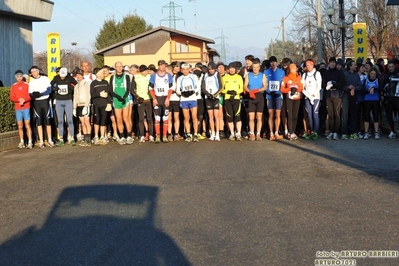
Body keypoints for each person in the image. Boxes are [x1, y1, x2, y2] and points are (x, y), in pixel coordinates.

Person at [28, 66, 54, 148]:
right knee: (39, 121)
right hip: (36, 103)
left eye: (34, 72)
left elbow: (49, 89)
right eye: (32, 72)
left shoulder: (45, 79)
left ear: (38, 71)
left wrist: (41, 94)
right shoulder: (31, 82)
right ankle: (41, 140)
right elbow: (30, 94)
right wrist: (34, 95)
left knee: (48, 120)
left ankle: (49, 140)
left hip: (45, 101)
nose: (33, 74)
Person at [109, 61, 134, 145]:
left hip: (125, 99)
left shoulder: (126, 76)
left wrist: (124, 97)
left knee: (126, 118)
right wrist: (118, 97)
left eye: (121, 66)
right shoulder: (112, 77)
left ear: (122, 67)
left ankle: (129, 136)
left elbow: (128, 89)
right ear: (115, 68)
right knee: (118, 119)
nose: (119, 68)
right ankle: (122, 136)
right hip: (116, 100)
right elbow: (111, 90)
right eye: (117, 66)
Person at [51, 67, 77, 146]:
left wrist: (71, 88)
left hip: (68, 100)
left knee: (69, 120)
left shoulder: (69, 78)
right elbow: (50, 85)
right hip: (59, 101)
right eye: (61, 76)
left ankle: (72, 137)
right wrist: (55, 89)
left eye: (63, 76)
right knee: (60, 120)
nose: (62, 78)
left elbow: (76, 85)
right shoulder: (56, 78)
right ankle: (61, 138)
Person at [149, 59, 174, 143]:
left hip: (165, 98)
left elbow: (171, 88)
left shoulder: (168, 76)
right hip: (157, 98)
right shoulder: (154, 76)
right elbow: (151, 88)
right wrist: (154, 98)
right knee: (157, 118)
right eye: (161, 65)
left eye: (164, 65)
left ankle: (164, 135)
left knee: (165, 118)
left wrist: (168, 98)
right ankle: (157, 135)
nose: (163, 67)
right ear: (158, 66)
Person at [176, 63, 201, 142]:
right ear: (181, 70)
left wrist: (192, 91)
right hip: (184, 99)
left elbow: (198, 87)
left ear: (189, 70)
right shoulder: (180, 78)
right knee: (186, 118)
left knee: (194, 117)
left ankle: (196, 134)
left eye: (187, 69)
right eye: (184, 70)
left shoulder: (193, 76)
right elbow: (177, 90)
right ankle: (188, 134)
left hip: (193, 98)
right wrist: (182, 93)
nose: (185, 71)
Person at [244, 59, 267, 140]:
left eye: (257, 67)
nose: (255, 69)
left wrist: (258, 90)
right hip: (251, 97)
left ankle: (258, 133)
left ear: (259, 67)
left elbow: (265, 86)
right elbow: (245, 86)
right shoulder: (248, 75)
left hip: (259, 96)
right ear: (252, 67)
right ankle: (252, 133)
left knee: (259, 116)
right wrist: (250, 92)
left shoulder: (262, 75)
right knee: (251, 117)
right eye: (254, 67)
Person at [10, 70, 33, 149]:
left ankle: (30, 141)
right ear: (15, 77)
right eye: (17, 76)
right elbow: (12, 97)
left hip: (26, 107)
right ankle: (22, 141)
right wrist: (18, 100)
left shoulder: (27, 85)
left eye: (20, 76)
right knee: (20, 126)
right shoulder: (13, 86)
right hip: (18, 108)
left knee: (27, 124)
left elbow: (30, 96)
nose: (19, 78)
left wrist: (24, 100)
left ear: (22, 76)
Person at [323, 57, 345, 140]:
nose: (332, 64)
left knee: (337, 114)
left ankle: (336, 132)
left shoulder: (339, 72)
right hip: (328, 96)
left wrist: (333, 84)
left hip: (337, 95)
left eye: (333, 62)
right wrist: (327, 85)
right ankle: (331, 131)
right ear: (329, 64)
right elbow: (323, 84)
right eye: (331, 62)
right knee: (330, 115)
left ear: (335, 63)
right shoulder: (326, 73)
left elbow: (342, 84)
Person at [264, 56, 285, 140]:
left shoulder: (281, 72)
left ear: (276, 63)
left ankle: (276, 131)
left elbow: (283, 83)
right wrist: (268, 91)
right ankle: (271, 132)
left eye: (274, 62)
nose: (273, 63)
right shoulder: (266, 72)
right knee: (271, 114)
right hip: (269, 96)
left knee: (278, 114)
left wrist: (280, 91)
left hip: (278, 96)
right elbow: (264, 84)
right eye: (271, 62)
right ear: (270, 63)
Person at [222, 63, 244, 140]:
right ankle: (232, 133)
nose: (231, 70)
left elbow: (241, 88)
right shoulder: (224, 77)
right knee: (230, 117)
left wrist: (236, 92)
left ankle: (238, 133)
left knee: (237, 116)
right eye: (230, 68)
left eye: (233, 68)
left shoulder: (239, 77)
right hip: (227, 99)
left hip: (236, 98)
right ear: (228, 69)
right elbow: (222, 89)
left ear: (235, 69)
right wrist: (227, 92)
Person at [281, 63, 303, 140]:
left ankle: (293, 131)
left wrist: (297, 89)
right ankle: (290, 132)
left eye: (295, 68)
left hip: (297, 98)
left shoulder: (299, 77)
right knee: (289, 115)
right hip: (289, 99)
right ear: (289, 69)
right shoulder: (286, 78)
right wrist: (289, 89)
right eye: (292, 68)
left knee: (295, 115)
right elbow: (282, 89)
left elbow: (301, 87)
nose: (294, 70)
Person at [90, 67, 112, 145]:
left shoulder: (106, 82)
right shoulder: (93, 83)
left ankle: (102, 136)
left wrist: (109, 103)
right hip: (96, 105)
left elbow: (109, 94)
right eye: (102, 73)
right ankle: (96, 136)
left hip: (105, 105)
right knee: (97, 120)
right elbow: (91, 95)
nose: (104, 75)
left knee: (103, 121)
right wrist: (99, 94)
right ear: (98, 74)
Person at [133, 65, 155, 143]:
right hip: (141, 101)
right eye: (145, 71)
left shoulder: (150, 76)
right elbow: (132, 89)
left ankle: (151, 135)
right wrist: (137, 97)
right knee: (141, 119)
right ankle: (142, 135)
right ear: (141, 71)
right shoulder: (136, 77)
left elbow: (153, 87)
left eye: (147, 70)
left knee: (150, 118)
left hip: (148, 100)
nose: (146, 72)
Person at [301, 59, 322, 140]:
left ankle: (315, 132)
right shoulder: (304, 75)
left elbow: (319, 86)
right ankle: (310, 130)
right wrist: (309, 96)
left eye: (310, 65)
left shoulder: (317, 73)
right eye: (307, 66)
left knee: (315, 115)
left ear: (313, 65)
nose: (308, 67)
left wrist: (313, 95)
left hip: (316, 97)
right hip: (307, 97)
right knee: (309, 115)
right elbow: (302, 88)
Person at [202, 62, 223, 141]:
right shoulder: (205, 75)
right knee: (210, 117)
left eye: (212, 69)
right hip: (208, 98)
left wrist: (214, 94)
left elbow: (221, 86)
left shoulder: (217, 75)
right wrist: (208, 94)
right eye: (210, 69)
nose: (211, 71)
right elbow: (203, 87)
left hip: (216, 97)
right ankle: (212, 133)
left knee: (216, 116)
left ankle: (217, 133)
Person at [341, 59, 361, 140]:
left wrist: (354, 88)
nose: (356, 66)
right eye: (354, 65)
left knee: (354, 114)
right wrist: (348, 87)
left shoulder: (356, 75)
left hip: (354, 95)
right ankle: (344, 132)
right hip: (346, 95)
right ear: (350, 66)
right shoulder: (344, 74)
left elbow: (360, 86)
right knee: (345, 114)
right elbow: (341, 86)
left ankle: (353, 132)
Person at [73, 68, 92, 146]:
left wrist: (86, 106)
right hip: (79, 105)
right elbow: (75, 97)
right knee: (82, 123)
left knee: (87, 122)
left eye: (79, 75)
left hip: (85, 105)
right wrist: (74, 108)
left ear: (82, 76)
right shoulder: (76, 86)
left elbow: (88, 95)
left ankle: (89, 139)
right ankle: (85, 138)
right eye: (77, 75)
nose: (78, 77)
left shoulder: (86, 84)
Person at [362, 68, 382, 140]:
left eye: (374, 74)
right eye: (372, 74)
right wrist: (368, 90)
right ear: (369, 74)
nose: (373, 75)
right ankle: (366, 132)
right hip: (367, 100)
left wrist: (374, 88)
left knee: (375, 116)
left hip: (375, 100)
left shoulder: (378, 80)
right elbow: (362, 91)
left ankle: (376, 132)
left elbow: (381, 89)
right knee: (367, 116)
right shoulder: (366, 80)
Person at [382, 61, 399, 139]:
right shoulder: (385, 76)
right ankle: (392, 131)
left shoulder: (398, 75)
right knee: (389, 116)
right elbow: (381, 87)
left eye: (392, 66)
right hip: (387, 98)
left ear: (395, 67)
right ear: (387, 67)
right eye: (389, 67)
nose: (391, 68)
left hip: (397, 98)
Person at [167, 61, 182, 142]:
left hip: (177, 98)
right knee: (169, 117)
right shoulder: (168, 76)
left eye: (179, 66)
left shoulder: (180, 76)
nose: (178, 68)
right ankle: (169, 133)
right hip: (169, 99)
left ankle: (176, 133)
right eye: (177, 66)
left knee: (176, 117)